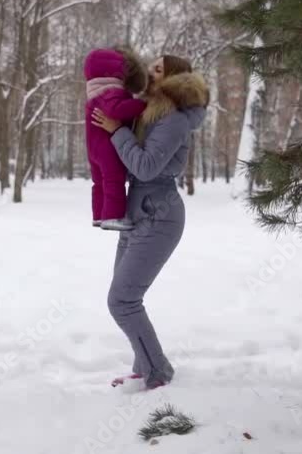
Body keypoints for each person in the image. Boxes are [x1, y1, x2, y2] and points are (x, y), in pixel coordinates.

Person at [90, 55, 208, 390]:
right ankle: (143, 368)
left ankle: (158, 373)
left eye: (157, 69)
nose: (149, 73)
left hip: (160, 214)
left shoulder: (173, 120)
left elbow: (145, 168)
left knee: (122, 301)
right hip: (138, 210)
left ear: (173, 79)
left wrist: (116, 134)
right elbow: (132, 167)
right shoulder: (151, 115)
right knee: (124, 298)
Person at [84, 48, 148, 231]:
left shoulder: (93, 94)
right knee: (114, 179)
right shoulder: (112, 92)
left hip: (93, 147)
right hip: (108, 146)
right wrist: (142, 104)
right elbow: (116, 111)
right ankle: (113, 216)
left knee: (99, 182)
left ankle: (98, 215)